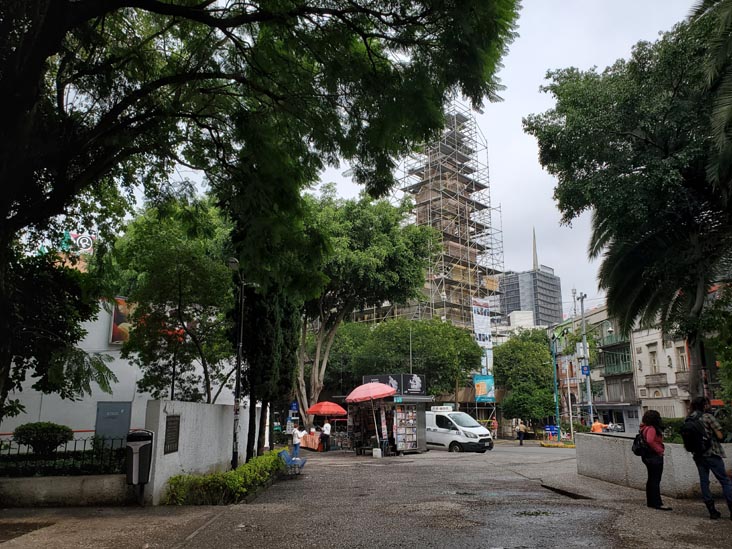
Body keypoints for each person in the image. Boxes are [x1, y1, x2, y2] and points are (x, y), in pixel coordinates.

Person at [687, 396, 732, 520]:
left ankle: (712, 511)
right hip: (712, 453)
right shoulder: (708, 417)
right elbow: (720, 435)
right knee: (725, 481)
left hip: (698, 455)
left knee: (704, 481)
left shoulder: (689, 418)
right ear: (704, 405)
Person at [640, 409, 672, 511]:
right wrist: (659, 450)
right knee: (655, 480)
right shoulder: (651, 429)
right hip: (654, 456)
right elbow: (650, 440)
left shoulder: (644, 428)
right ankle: (657, 502)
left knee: (651, 479)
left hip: (647, 456)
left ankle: (651, 501)